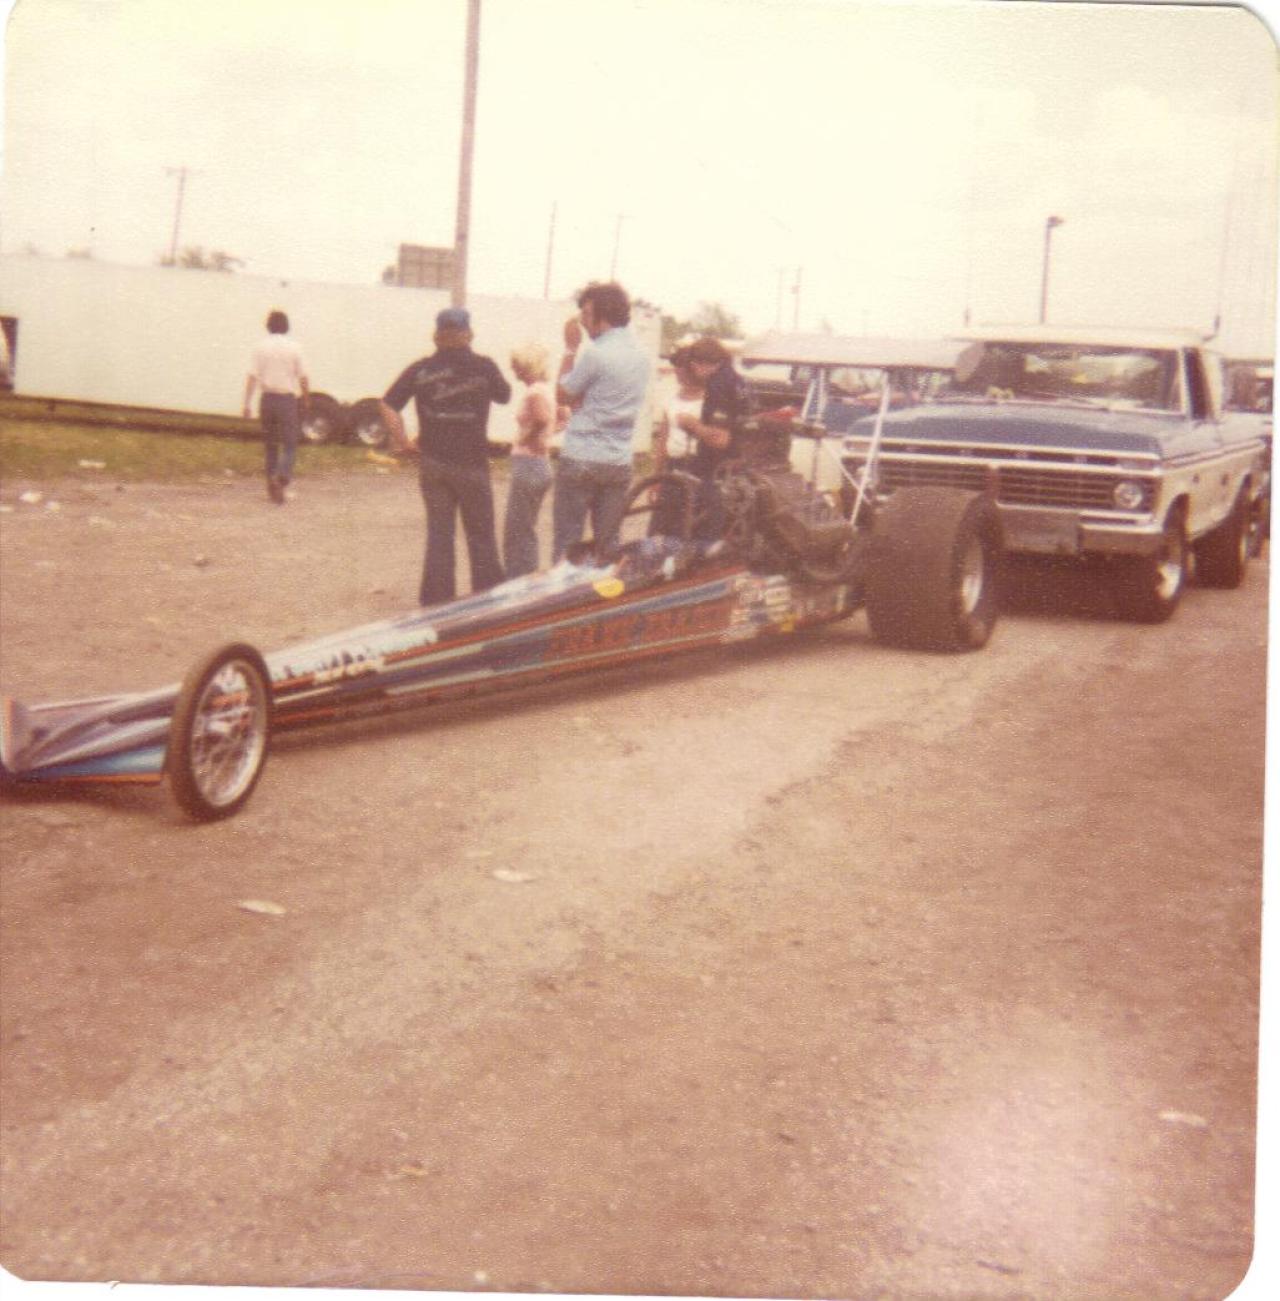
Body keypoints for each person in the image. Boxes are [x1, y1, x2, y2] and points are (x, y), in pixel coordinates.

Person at [379, 307, 511, 606]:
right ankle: (488, 602)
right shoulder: (484, 366)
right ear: (469, 334)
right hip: (472, 464)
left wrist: (403, 441)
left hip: (434, 465)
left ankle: (437, 604)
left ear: (437, 335)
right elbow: (505, 396)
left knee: (440, 536)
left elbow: (387, 405)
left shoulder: (421, 369)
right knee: (481, 536)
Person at [552, 281, 651, 561]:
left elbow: (563, 394)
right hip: (618, 459)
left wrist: (570, 349)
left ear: (602, 315)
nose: (582, 322)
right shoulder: (642, 356)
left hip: (582, 455)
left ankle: (563, 586)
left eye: (586, 314)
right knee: (609, 544)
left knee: (567, 543)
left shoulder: (595, 354)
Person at [679, 336, 751, 540]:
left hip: (716, 469)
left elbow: (720, 439)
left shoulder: (718, 385)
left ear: (697, 364)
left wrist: (691, 425)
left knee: (703, 535)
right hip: (737, 466)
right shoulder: (739, 381)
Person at [243, 310, 309, 504]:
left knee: (270, 445)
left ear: (268, 325)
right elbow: (303, 377)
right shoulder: (295, 348)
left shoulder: (260, 348)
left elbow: (252, 376)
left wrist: (247, 403)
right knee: (290, 443)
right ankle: (281, 477)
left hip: (267, 399)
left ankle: (272, 484)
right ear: (286, 326)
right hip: (286, 400)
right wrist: (306, 398)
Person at [502, 342, 556, 577]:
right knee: (525, 527)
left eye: (517, 366)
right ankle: (527, 574)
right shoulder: (546, 390)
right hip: (540, 463)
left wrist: (525, 438)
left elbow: (542, 419)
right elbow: (562, 416)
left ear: (527, 366)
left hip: (529, 464)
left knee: (517, 529)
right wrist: (547, 437)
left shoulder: (534, 392)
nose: (514, 370)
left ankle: (519, 578)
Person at [648, 345, 706, 538]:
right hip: (673, 468)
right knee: (661, 529)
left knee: (690, 529)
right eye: (676, 368)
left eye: (681, 367)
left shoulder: (709, 400)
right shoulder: (670, 399)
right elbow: (662, 441)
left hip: (697, 468)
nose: (678, 373)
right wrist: (656, 479)